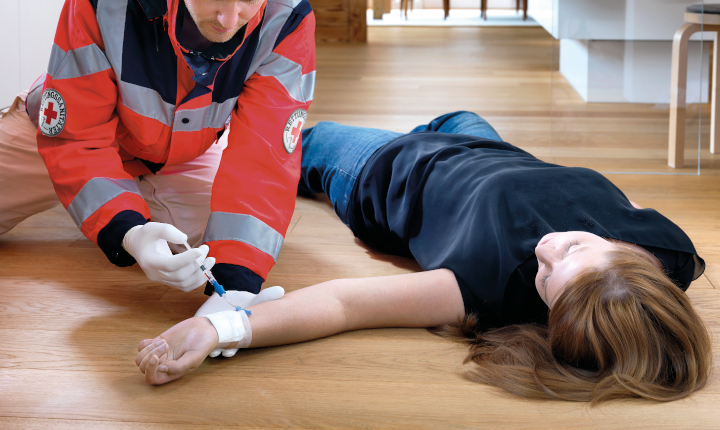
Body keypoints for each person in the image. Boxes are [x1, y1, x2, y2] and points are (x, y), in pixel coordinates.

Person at [134, 111, 712, 403]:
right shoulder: (669, 251)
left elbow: (343, 303)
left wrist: (220, 328)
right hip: (481, 140)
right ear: (633, 258)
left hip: (387, 168)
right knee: (460, 115)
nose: (544, 250)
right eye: (574, 247)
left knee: (289, 139)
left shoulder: (487, 286)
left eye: (545, 278)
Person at [0, 0, 316, 297]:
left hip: (183, 153)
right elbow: (77, 138)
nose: (230, 20)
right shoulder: (103, 4)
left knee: (213, 249)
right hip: (65, 129)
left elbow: (265, 159)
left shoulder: (287, 17)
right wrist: (127, 230)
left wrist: (236, 284)